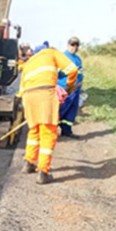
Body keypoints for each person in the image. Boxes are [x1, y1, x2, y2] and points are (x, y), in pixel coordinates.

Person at [19, 45, 78, 184]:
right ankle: (43, 172)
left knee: (34, 130)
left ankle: (29, 163)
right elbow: (72, 69)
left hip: (28, 97)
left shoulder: (30, 61)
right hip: (45, 95)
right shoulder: (52, 53)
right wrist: (69, 85)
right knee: (48, 132)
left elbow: (21, 89)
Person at [57, 37, 84, 138]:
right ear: (68, 45)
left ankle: (66, 131)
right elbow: (57, 73)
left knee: (72, 110)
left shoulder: (78, 59)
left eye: (77, 45)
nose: (75, 47)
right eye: (73, 45)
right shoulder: (62, 57)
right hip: (65, 88)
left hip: (76, 89)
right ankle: (51, 130)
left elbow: (80, 72)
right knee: (61, 109)